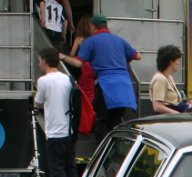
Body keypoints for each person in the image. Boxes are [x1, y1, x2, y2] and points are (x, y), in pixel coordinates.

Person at [60, 14, 140, 143]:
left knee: (99, 122)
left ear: (92, 26)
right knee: (114, 123)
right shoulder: (119, 40)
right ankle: (115, 152)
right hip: (125, 88)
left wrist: (62, 57)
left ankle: (103, 154)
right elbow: (137, 56)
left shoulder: (90, 41)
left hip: (107, 87)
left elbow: (78, 63)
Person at [34, 48, 77, 177]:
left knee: (56, 166)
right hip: (68, 129)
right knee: (69, 164)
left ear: (45, 61)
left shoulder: (43, 81)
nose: (39, 63)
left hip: (54, 130)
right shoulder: (67, 79)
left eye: (40, 60)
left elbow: (38, 102)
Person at [150, 45, 192, 115]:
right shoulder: (160, 79)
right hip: (165, 120)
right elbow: (157, 107)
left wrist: (186, 104)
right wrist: (178, 115)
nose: (179, 63)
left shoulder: (169, 78)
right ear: (170, 62)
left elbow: (171, 101)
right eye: (177, 60)